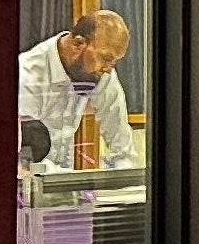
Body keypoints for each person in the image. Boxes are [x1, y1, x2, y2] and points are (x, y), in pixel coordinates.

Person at [19, 10, 138, 171]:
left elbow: (123, 149)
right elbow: (24, 163)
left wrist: (122, 177)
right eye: (105, 58)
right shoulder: (26, 76)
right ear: (77, 44)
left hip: (67, 185)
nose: (109, 70)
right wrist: (84, 184)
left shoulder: (100, 71)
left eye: (114, 62)